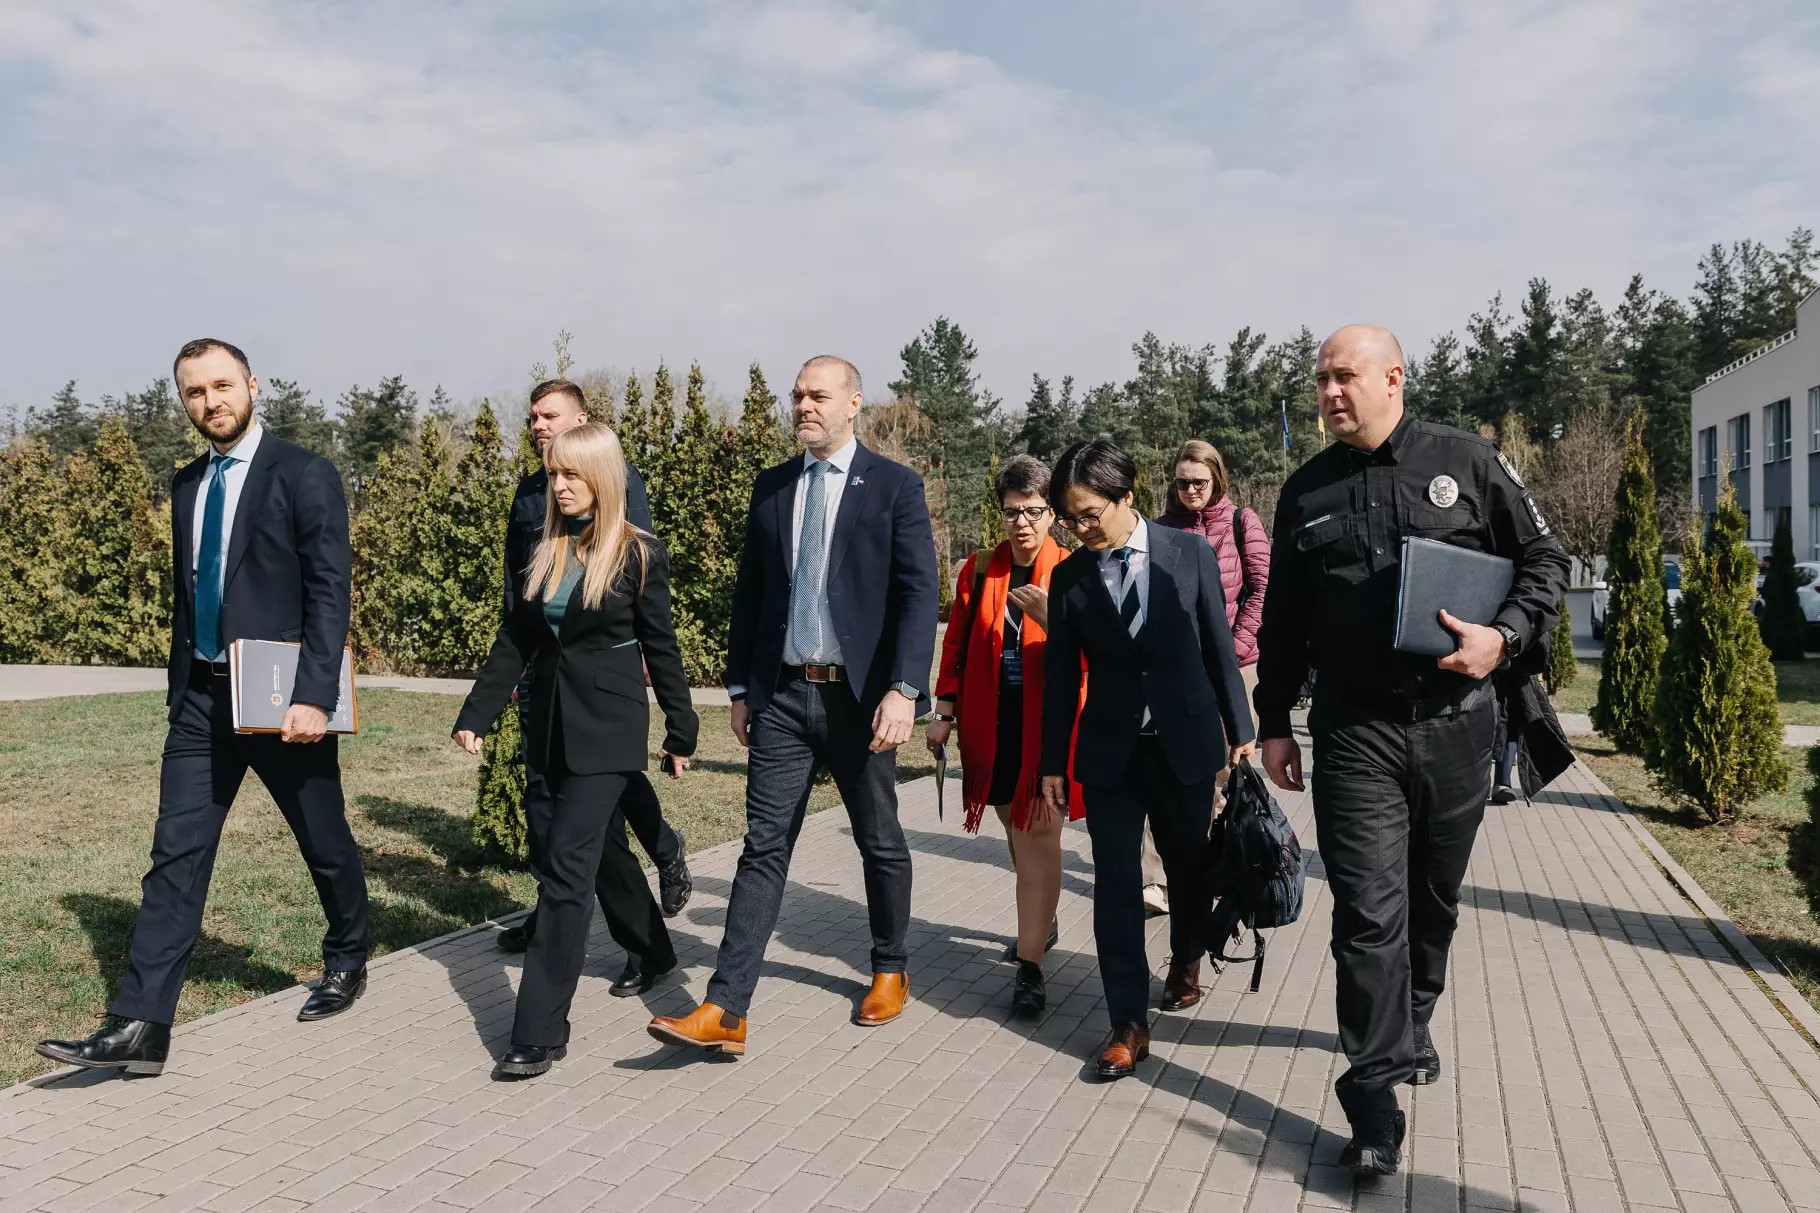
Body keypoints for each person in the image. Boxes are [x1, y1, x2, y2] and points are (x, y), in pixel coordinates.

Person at [1255, 324, 1569, 1175]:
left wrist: (1504, 637)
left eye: (1345, 376)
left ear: (1393, 378)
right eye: (1321, 379)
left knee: (1433, 900)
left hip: (1459, 721)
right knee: (1366, 913)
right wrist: (1274, 719)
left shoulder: (1467, 460)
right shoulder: (1306, 490)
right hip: (1354, 732)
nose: (1329, 393)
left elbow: (1545, 558)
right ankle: (1374, 1099)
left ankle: (1416, 1014)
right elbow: (1283, 618)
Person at [37, 339, 371, 1077]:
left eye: (222, 385)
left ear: (252, 384)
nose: (211, 401)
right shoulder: (187, 483)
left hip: (280, 699)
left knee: (323, 839)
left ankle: (350, 951)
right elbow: (191, 591)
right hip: (199, 699)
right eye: (195, 391)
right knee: (176, 855)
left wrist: (314, 695)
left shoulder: (304, 473)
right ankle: (141, 1025)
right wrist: (180, 684)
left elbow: (330, 590)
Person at [648, 355, 938, 1056]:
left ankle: (890, 965)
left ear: (853, 403)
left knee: (879, 839)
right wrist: (740, 689)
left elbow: (918, 594)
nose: (804, 406)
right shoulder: (774, 486)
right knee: (764, 846)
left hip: (861, 700)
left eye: (819, 395)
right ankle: (727, 1007)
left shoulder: (894, 486)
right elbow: (751, 593)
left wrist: (904, 690)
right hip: (782, 695)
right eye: (798, 395)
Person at [452, 423, 698, 1079]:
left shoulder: (638, 553)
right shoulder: (547, 550)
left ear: (602, 478)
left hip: (609, 731)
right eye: (553, 473)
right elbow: (517, 638)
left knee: (564, 873)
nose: (557, 486)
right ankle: (653, 949)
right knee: (599, 854)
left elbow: (661, 645)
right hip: (550, 727)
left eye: (571, 474)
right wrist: (477, 712)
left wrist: (681, 727)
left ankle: (538, 1031)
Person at [1039, 438, 1255, 1080]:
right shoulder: (1070, 577)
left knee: (1189, 872)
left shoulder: (1188, 553)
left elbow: (1218, 645)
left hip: (1185, 744)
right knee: (1116, 885)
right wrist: (1052, 762)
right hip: (1111, 753)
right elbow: (1059, 680)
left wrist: (1241, 728)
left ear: (1126, 497)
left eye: (1088, 515)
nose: (1079, 529)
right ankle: (1127, 1023)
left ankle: (1186, 957)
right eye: (1068, 519)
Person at [495, 379, 692, 957]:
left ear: (581, 420)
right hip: (542, 670)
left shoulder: (618, 482)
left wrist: (643, 665)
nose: (538, 425)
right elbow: (516, 584)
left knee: (600, 814)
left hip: (599, 679)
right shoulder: (530, 493)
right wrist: (513, 665)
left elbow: (635, 575)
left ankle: (656, 865)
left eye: (550, 415)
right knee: (551, 809)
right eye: (533, 416)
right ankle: (622, 935)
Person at [926, 455, 1084, 1019]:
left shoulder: (1074, 570)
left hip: (1051, 727)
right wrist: (943, 710)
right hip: (991, 726)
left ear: (1053, 514)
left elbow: (1096, 651)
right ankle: (1042, 915)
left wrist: (1052, 618)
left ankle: (1030, 966)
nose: (1022, 522)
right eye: (1012, 511)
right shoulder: (977, 571)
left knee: (1038, 834)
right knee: (1016, 831)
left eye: (1034, 511)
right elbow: (957, 644)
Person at [1142, 438, 1271, 913]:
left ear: (1217, 479)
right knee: (1166, 768)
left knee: (1219, 771)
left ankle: (1209, 868)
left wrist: (1230, 650)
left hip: (1234, 668)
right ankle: (1155, 877)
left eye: (1199, 481)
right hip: (1177, 670)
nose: (1190, 490)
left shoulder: (1242, 522)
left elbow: (1262, 589)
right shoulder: (1159, 530)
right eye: (1182, 483)